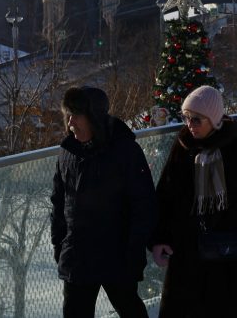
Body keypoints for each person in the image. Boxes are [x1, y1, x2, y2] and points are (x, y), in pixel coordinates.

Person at [150, 86, 237, 317]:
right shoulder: (182, 149)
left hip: (229, 253)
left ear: (213, 119)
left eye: (196, 119)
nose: (190, 124)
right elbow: (165, 195)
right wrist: (159, 239)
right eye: (186, 118)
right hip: (187, 253)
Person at [50, 86, 157, 318]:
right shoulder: (67, 152)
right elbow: (58, 203)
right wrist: (60, 245)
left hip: (117, 258)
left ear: (94, 118)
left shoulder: (125, 151)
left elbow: (143, 204)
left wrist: (134, 253)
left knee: (130, 310)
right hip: (77, 258)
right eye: (68, 117)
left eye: (76, 116)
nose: (70, 124)